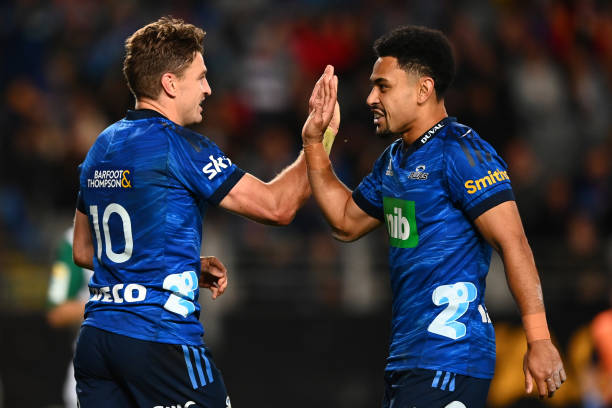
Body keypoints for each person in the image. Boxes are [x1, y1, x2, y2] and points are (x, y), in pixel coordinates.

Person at [72, 17, 338, 408]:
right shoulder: (180, 146)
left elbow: (83, 250)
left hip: (97, 341)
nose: (209, 88)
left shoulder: (102, 146)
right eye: (201, 77)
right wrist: (320, 137)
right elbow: (277, 207)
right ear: (170, 83)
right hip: (159, 339)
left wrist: (180, 266)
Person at [301, 25, 566, 407]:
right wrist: (314, 143)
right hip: (408, 359)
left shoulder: (461, 152)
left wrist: (539, 340)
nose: (371, 97)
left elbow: (514, 243)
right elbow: (345, 222)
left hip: (450, 358)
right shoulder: (393, 162)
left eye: (384, 86)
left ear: (424, 89)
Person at [46, 227, 93, 408]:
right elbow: (56, 312)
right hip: (94, 368)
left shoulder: (153, 224)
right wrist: (111, 301)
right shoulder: (74, 238)